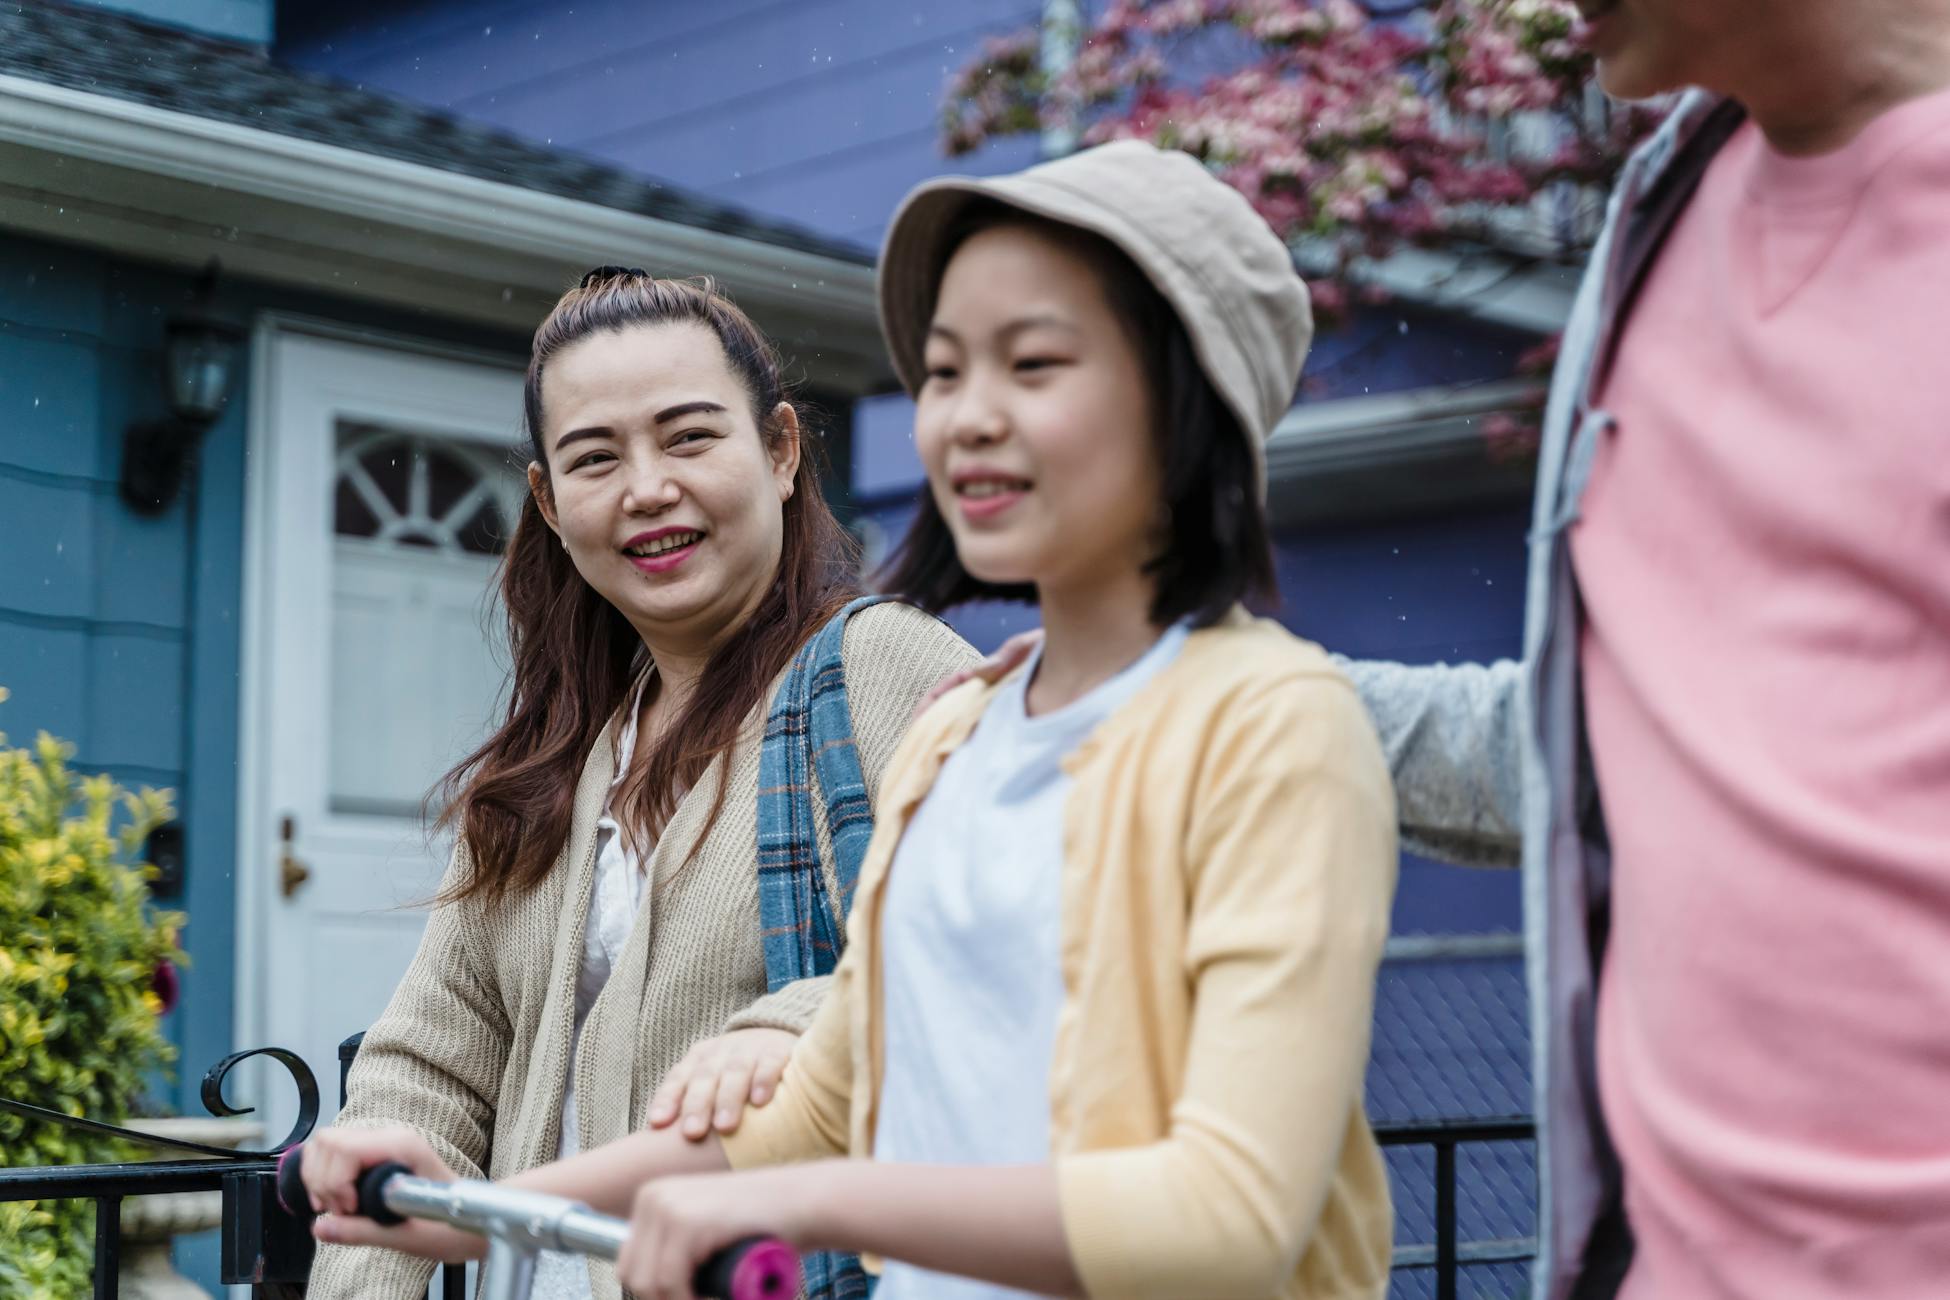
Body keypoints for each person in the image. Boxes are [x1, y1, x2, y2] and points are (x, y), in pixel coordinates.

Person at [299, 140, 1401, 1300]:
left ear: (1186, 405)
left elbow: (1234, 1215)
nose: (970, 417)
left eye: (1034, 364)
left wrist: (798, 1194)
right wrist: (489, 1214)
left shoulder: (1273, 724)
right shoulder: (966, 732)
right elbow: (836, 1083)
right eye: (944, 372)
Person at [306, 271, 978, 1300]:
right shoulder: (559, 756)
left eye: (691, 437)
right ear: (549, 501)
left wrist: (786, 1029)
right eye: (595, 457)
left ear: (783, 450)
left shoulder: (883, 670)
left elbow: (973, 973)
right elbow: (424, 1066)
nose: (647, 488)